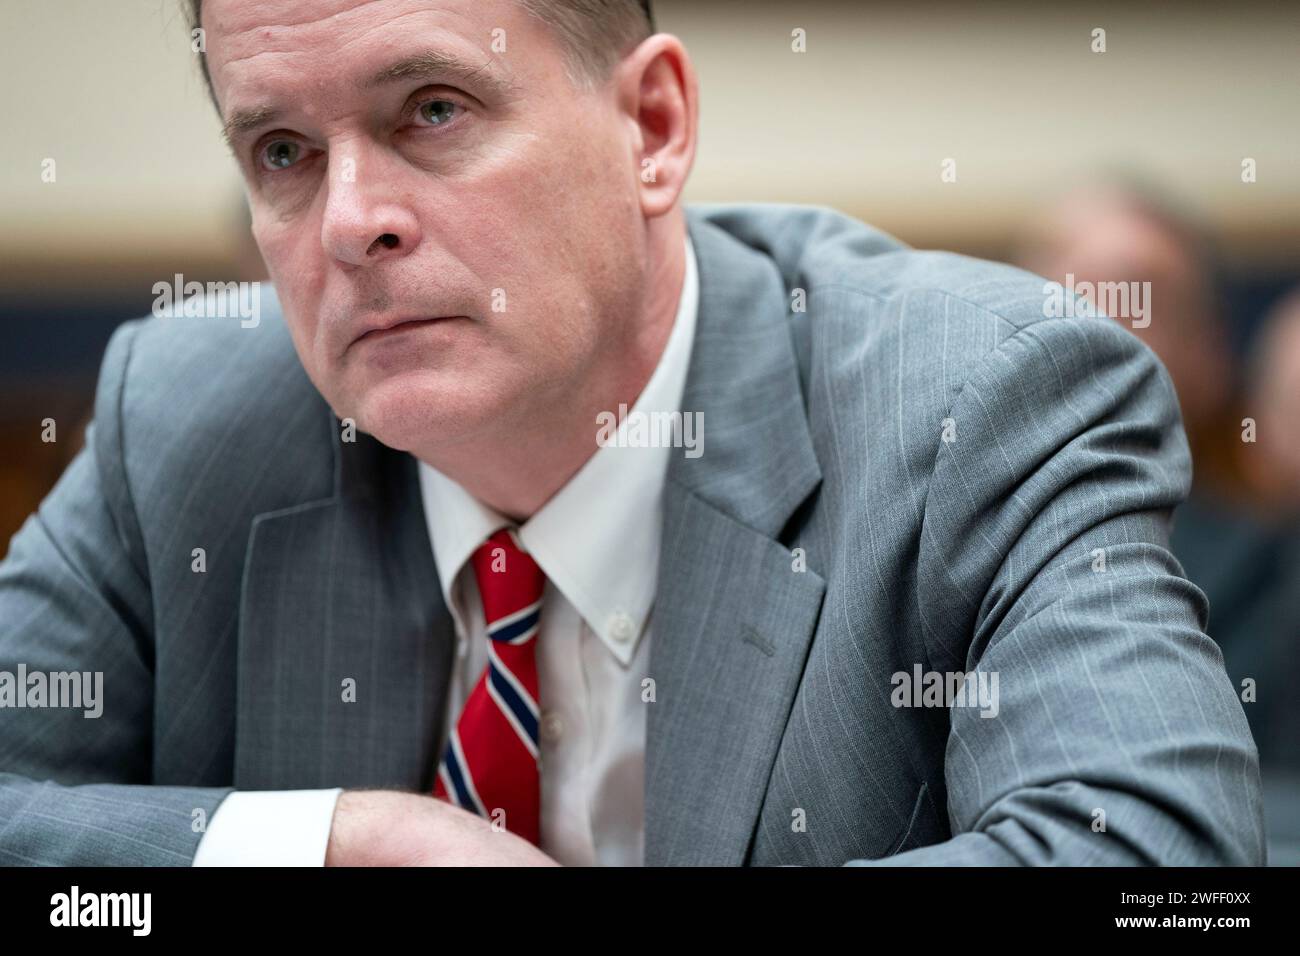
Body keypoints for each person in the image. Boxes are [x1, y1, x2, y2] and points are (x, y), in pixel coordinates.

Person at [0, 0, 1263, 866]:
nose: (349, 220)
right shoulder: (182, 419)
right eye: (280, 148)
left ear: (651, 128)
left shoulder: (975, 398)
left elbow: (1164, 862)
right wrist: (320, 842)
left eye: (431, 109)